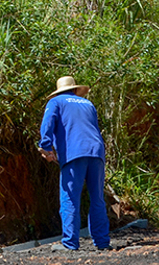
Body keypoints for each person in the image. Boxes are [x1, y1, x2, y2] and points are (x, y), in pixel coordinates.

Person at [38, 76, 112, 251]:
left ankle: (70, 244)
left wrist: (45, 147)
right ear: (75, 89)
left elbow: (48, 123)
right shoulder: (88, 104)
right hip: (96, 152)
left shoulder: (55, 102)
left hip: (74, 153)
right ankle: (102, 242)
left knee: (70, 198)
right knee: (97, 198)